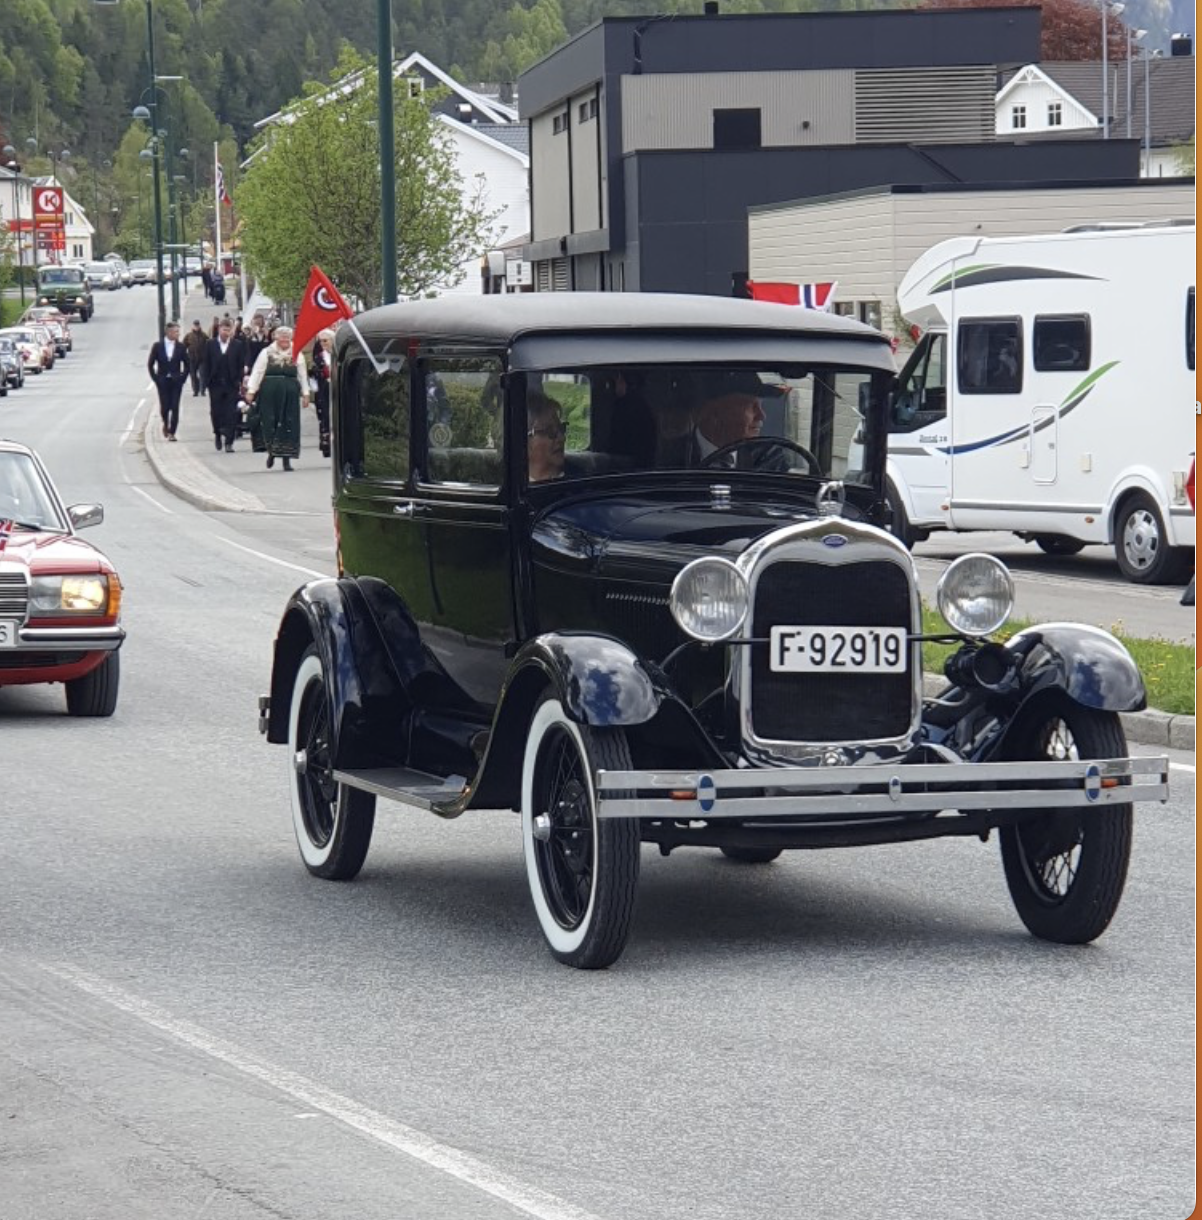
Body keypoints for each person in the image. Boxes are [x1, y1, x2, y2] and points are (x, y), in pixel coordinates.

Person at [658, 369, 789, 472]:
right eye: (750, 406)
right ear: (712, 414)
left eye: (760, 405)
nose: (761, 415)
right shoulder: (667, 458)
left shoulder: (768, 458)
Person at [244, 325, 309, 471]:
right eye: (282, 336)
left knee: (288, 423)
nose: (285, 339)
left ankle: (286, 459)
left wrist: (306, 394)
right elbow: (258, 372)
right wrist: (251, 390)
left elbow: (303, 375)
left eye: (287, 337)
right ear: (276, 337)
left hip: (290, 393)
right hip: (270, 393)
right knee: (270, 421)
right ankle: (272, 452)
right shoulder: (266, 352)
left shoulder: (297, 353)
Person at [203, 318, 246, 453]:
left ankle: (229, 442)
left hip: (231, 384)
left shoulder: (237, 345)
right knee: (216, 412)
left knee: (231, 413)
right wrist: (206, 382)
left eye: (228, 330)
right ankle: (217, 433)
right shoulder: (210, 344)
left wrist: (239, 380)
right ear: (219, 329)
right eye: (224, 329)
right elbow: (205, 364)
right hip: (215, 384)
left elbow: (240, 364)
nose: (226, 332)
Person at [146, 321, 190, 441]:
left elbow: (187, 364)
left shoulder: (181, 347)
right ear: (169, 332)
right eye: (176, 332)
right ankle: (165, 423)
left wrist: (182, 378)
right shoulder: (158, 346)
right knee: (165, 407)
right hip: (163, 381)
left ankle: (172, 432)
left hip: (176, 381)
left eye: (178, 331)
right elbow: (150, 364)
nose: (178, 334)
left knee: (175, 406)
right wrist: (156, 379)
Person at [527, 392, 566, 483]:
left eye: (561, 428)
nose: (562, 438)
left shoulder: (579, 482)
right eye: (549, 431)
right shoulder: (508, 485)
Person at [311, 329, 335, 458]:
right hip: (323, 389)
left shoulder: (338, 355)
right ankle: (326, 444)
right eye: (320, 341)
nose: (323, 343)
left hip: (336, 388)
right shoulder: (319, 357)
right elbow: (313, 375)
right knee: (325, 415)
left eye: (325, 341)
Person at [183, 319, 209, 398]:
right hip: (192, 358)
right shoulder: (189, 335)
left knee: (202, 375)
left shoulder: (204, 335)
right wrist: (184, 356)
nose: (196, 327)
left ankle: (202, 390)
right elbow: (183, 346)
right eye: (195, 325)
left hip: (202, 359)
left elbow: (208, 345)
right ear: (193, 326)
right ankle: (195, 390)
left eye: (197, 325)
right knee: (193, 376)